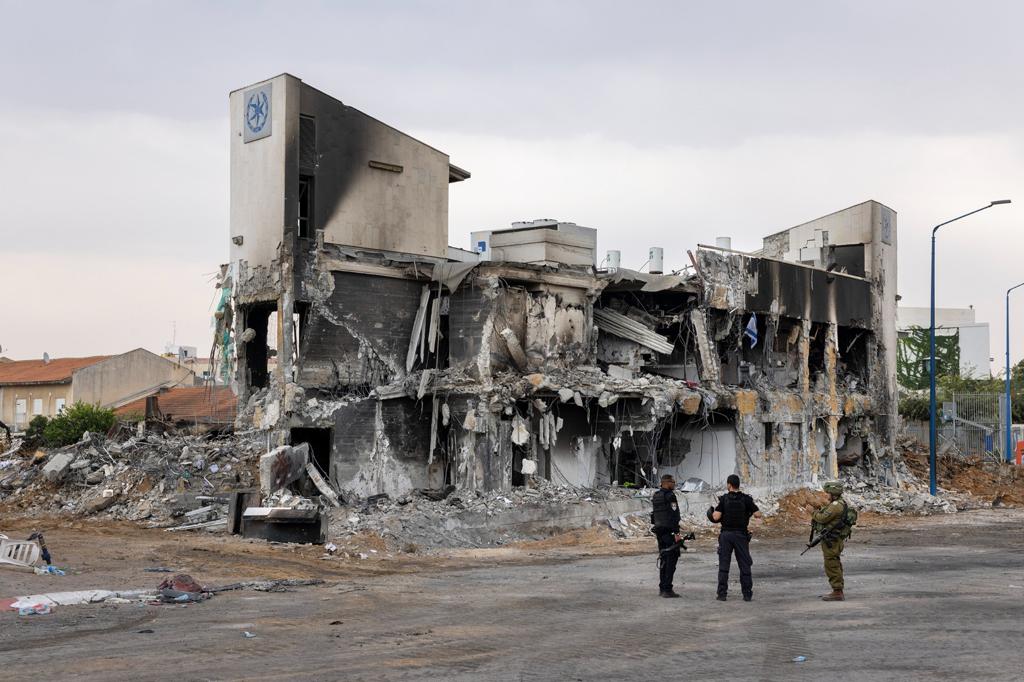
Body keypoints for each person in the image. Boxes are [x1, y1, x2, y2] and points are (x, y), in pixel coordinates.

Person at [708, 474, 762, 601]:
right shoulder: (746, 499)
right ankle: (747, 594)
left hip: (726, 535)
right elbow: (758, 514)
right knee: (744, 565)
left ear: (729, 485)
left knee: (724, 565)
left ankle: (722, 594)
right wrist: (748, 513)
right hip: (741, 536)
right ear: (738, 485)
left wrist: (711, 512)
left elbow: (715, 517)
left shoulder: (724, 499)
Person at [812, 480, 851, 601]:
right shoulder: (838, 503)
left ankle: (837, 592)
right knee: (834, 563)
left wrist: (812, 513)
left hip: (832, 540)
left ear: (833, 493)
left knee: (831, 564)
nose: (826, 495)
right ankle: (837, 589)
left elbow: (822, 518)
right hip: (833, 539)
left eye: (828, 492)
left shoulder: (836, 506)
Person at [651, 474, 682, 598]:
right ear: (667, 482)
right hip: (669, 533)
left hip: (659, 532)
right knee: (671, 560)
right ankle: (667, 589)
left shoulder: (657, 495)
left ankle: (662, 587)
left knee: (663, 559)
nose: (674, 484)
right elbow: (674, 516)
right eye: (673, 482)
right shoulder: (670, 496)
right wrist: (677, 534)